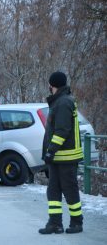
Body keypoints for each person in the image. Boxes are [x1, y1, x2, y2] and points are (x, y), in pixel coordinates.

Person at [39, 72, 84, 235]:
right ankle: (55, 223)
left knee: (69, 189)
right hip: (59, 156)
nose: (49, 88)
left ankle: (77, 222)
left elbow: (62, 131)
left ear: (53, 85)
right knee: (53, 190)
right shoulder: (60, 100)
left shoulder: (63, 102)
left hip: (66, 156)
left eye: (50, 85)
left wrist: (50, 151)